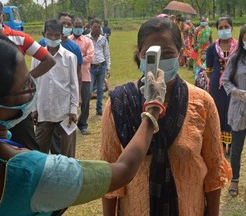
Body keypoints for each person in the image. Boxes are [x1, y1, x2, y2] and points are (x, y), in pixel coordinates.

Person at [0, 30, 164, 215]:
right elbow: (123, 170)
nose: (33, 87)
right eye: (26, 85)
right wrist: (152, 111)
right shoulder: (32, 173)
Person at [100, 18, 231, 216]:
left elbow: (214, 173)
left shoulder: (202, 103)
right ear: (140, 56)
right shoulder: (119, 104)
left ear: (180, 54)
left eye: (167, 53)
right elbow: (108, 177)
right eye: (152, 54)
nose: (160, 61)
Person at [0, 0, 55, 150]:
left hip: (16, 107)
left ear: (2, 16)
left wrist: (24, 82)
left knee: (27, 149)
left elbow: (48, 60)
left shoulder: (20, 38)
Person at [32, 19, 78, 157]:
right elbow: (33, 83)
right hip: (43, 111)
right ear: (43, 34)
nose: (53, 38)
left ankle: (68, 176)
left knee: (68, 152)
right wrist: (34, 109)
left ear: (62, 35)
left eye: (56, 35)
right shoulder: (37, 57)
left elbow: (74, 85)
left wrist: (73, 109)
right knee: (39, 151)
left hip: (64, 111)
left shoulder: (70, 57)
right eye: (49, 35)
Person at [206, 17, 238, 155]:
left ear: (231, 27)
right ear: (217, 30)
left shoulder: (239, 47)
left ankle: (230, 145)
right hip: (216, 87)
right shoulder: (212, 48)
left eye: (226, 27)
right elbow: (208, 69)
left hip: (234, 85)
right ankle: (219, 145)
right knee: (217, 112)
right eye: (221, 28)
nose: (224, 30)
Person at [222, 24, 246, 197]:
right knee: (236, 149)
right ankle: (235, 181)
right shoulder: (235, 58)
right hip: (240, 111)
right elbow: (225, 80)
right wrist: (238, 93)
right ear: (242, 38)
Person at [69, 17, 94, 135]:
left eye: (80, 26)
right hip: (69, 76)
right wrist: (81, 57)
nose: (78, 28)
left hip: (84, 76)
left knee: (85, 101)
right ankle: (68, 123)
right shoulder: (68, 40)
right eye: (76, 26)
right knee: (69, 100)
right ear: (72, 26)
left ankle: (82, 124)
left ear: (84, 27)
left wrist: (75, 59)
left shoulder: (88, 41)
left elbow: (90, 57)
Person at [86, 18, 111, 116]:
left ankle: (99, 109)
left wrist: (108, 68)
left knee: (100, 89)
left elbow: (107, 54)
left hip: (101, 66)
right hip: (90, 67)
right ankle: (86, 108)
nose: (97, 29)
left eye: (98, 27)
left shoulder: (103, 39)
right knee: (89, 89)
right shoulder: (86, 38)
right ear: (91, 27)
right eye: (95, 27)